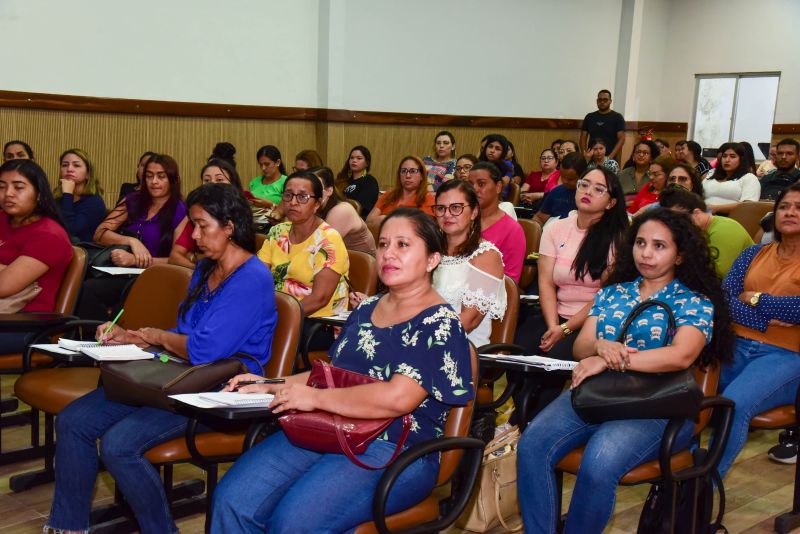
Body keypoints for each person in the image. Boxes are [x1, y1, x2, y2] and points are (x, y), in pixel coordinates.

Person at [212, 207, 474, 533]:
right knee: (232, 499)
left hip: (397, 446)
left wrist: (314, 399)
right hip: (333, 426)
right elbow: (332, 375)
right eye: (383, 244)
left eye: (403, 245)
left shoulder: (440, 323)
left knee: (294, 523)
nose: (388, 254)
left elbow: (397, 398)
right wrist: (268, 383)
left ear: (433, 259)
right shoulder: (366, 308)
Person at [45, 183, 277, 534]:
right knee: (74, 421)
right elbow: (186, 332)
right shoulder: (205, 269)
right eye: (193, 226)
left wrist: (154, 336)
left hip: (216, 389)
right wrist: (133, 335)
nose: (194, 235)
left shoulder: (252, 278)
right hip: (177, 376)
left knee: (119, 445)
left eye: (202, 226)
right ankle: (69, 527)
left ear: (230, 227)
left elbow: (204, 349)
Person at [517, 208, 732, 534]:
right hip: (598, 393)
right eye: (641, 243)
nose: (646, 253)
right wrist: (601, 347)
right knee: (532, 445)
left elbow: (680, 356)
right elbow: (581, 347)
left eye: (660, 246)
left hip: (659, 402)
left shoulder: (693, 301)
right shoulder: (613, 292)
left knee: (599, 461)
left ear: (680, 255)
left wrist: (611, 359)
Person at [516, 167, 628, 419]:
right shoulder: (556, 228)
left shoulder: (617, 237)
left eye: (598, 189)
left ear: (611, 202)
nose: (588, 191)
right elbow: (545, 282)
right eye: (584, 184)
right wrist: (553, 324)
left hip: (592, 320)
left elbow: (604, 296)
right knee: (519, 348)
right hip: (555, 313)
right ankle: (522, 418)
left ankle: (526, 423)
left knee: (550, 363)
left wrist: (565, 329)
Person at [716, 183, 800, 473]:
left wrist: (754, 298)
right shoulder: (754, 253)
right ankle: (678, 478)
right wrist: (764, 319)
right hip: (735, 343)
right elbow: (725, 299)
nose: (790, 212)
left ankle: (703, 489)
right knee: (684, 394)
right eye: (785, 206)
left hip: (786, 355)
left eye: (799, 208)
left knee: (734, 405)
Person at [79, 154, 186, 321]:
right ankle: (93, 337)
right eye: (149, 176)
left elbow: (176, 259)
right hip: (119, 271)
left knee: (112, 297)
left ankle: (105, 339)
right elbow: (100, 232)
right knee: (85, 287)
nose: (154, 182)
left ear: (173, 179)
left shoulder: (180, 210)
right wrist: (131, 241)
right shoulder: (134, 200)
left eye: (161, 176)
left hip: (153, 275)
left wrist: (135, 260)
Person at [0, 159, 73, 352]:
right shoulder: (2, 218)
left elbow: (3, 286)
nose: (8, 193)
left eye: (19, 187)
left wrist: (6, 272)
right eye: (2, 187)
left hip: (22, 322)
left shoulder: (49, 235)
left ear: (39, 193)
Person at [258, 171, 349, 317]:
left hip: (316, 322)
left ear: (317, 204)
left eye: (302, 197)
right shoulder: (277, 232)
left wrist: (281, 318)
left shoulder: (329, 240)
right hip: (276, 313)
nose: (293, 202)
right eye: (288, 195)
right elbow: (259, 278)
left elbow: (320, 298)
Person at [432, 179, 506, 348]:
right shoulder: (429, 251)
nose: (447, 214)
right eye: (441, 208)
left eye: (456, 208)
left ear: (473, 212)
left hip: (462, 348)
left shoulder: (486, 255)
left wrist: (416, 337)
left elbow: (469, 321)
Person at [659, 186, 753, 279]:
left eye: (678, 219)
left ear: (696, 213)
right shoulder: (693, 233)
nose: (673, 225)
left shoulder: (724, 230)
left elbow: (716, 276)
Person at [169, 159, 246, 269]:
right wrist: (198, 268)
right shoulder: (197, 218)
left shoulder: (241, 217)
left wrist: (194, 256)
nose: (213, 185)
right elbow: (174, 257)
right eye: (207, 180)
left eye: (219, 179)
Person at [468, 162, 525, 283]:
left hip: (488, 295)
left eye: (481, 184)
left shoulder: (512, 230)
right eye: (470, 184)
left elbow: (510, 282)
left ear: (498, 187)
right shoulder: (460, 220)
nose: (474, 189)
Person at [312, 166, 376, 256]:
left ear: (329, 190)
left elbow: (320, 251)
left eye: (316, 188)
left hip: (359, 267)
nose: (311, 193)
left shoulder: (341, 210)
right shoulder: (316, 209)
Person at [367, 156, 435, 229]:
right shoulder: (388, 195)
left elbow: (426, 228)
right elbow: (368, 222)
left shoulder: (428, 198)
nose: (407, 175)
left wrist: (388, 220)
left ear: (422, 176)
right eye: (403, 171)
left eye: (413, 171)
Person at [55, 149, 107, 242]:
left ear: (88, 174)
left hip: (83, 251)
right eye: (65, 165)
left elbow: (71, 230)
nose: (69, 169)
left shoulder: (94, 202)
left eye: (76, 165)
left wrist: (67, 194)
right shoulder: (57, 198)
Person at [703, 142, 761, 213]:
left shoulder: (749, 178)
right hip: (702, 215)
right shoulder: (711, 174)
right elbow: (698, 195)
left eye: (732, 156)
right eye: (724, 156)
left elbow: (748, 205)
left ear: (741, 159)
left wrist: (716, 208)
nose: (727, 160)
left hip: (731, 219)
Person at [534, 152, 588, 226]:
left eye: (570, 179)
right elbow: (539, 218)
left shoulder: (589, 196)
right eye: (562, 176)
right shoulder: (556, 192)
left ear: (583, 175)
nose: (565, 181)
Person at [579, 89, 626, 161]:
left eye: (605, 100)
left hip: (610, 158)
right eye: (600, 100)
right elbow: (583, 137)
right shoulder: (589, 116)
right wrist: (585, 154)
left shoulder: (617, 117)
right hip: (591, 158)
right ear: (597, 101)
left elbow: (621, 139)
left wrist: (610, 157)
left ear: (610, 101)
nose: (602, 102)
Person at [335, 145, 379, 218]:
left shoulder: (369, 181)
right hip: (338, 215)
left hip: (358, 219)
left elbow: (363, 207)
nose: (354, 160)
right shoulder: (343, 180)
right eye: (352, 158)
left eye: (359, 158)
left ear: (367, 163)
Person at [248, 145, 287, 211]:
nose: (263, 168)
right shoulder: (254, 182)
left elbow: (289, 210)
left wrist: (269, 204)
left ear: (278, 162)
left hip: (276, 220)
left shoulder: (287, 182)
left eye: (267, 164)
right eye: (261, 165)